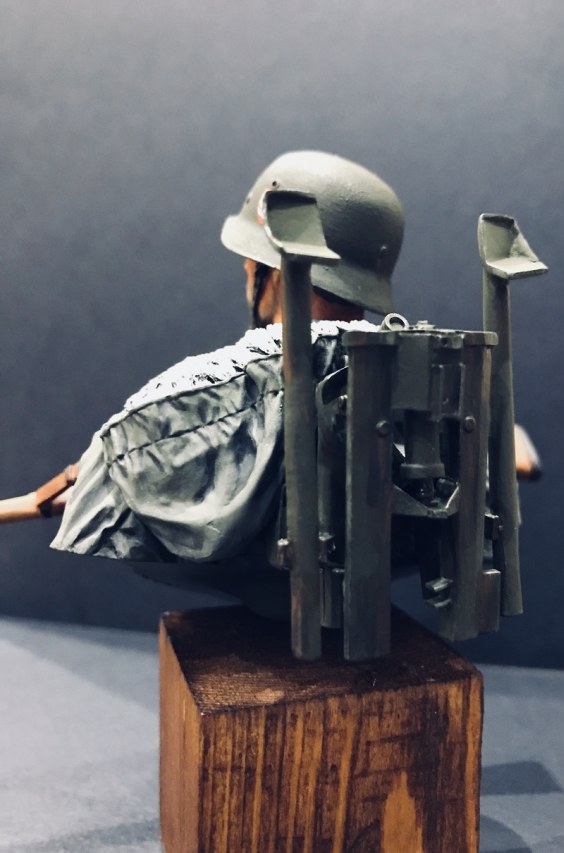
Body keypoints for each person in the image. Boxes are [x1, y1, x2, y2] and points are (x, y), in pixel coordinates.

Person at [5, 151, 400, 607]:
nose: (246, 268)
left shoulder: (199, 397)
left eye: (251, 257)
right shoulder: (408, 373)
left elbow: (124, 465)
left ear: (272, 270)